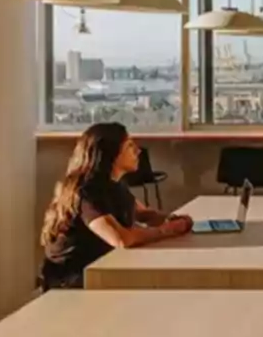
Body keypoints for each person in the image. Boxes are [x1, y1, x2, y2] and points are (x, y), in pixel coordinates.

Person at [39, 122, 193, 290]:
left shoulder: (114, 184)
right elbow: (121, 239)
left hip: (99, 270)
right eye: (129, 146)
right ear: (111, 154)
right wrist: (167, 230)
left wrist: (172, 220)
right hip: (72, 282)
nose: (138, 151)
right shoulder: (87, 190)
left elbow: (144, 214)